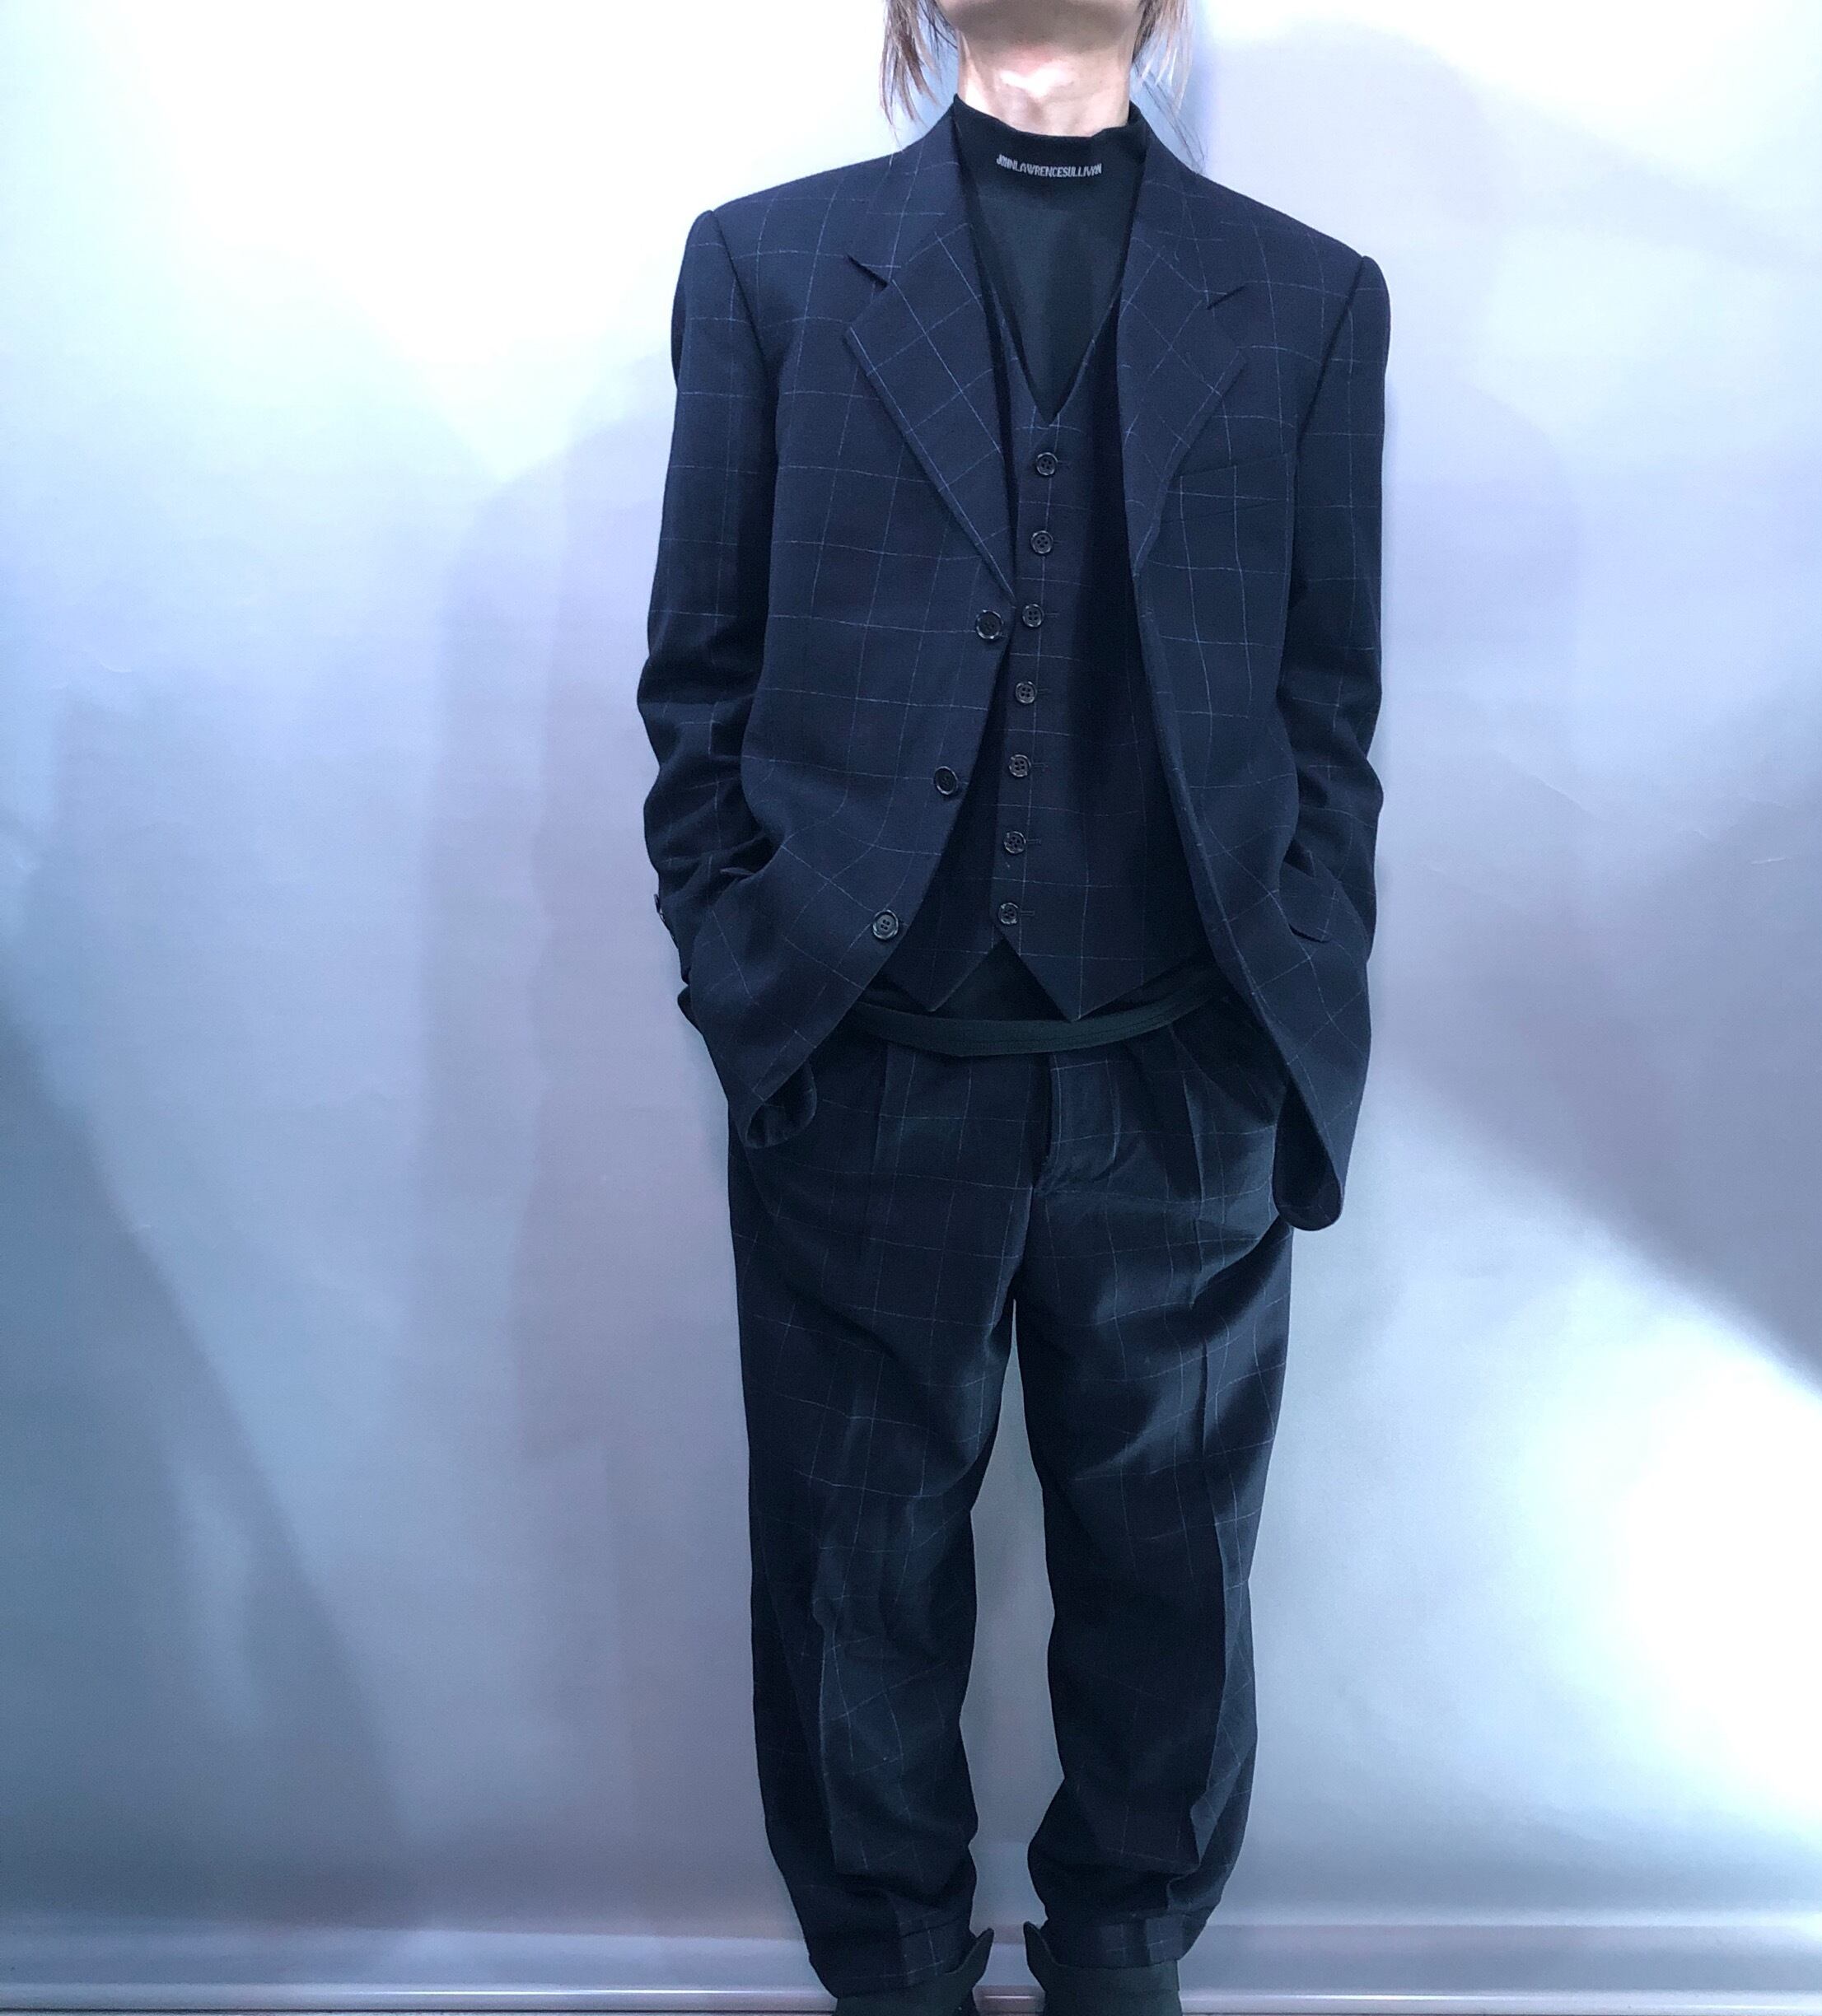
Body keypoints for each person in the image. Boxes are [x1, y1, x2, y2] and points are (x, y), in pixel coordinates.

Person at [634, 4, 1390, 2014]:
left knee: (1175, 1576)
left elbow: (1326, 704)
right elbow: (699, 674)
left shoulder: (1309, 301)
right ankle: (889, 1971)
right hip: (868, 1060)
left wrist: (1286, 994)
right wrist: (751, 968)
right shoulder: (770, 269)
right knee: (848, 1574)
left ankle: (1123, 1958)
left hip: (1181, 1076)